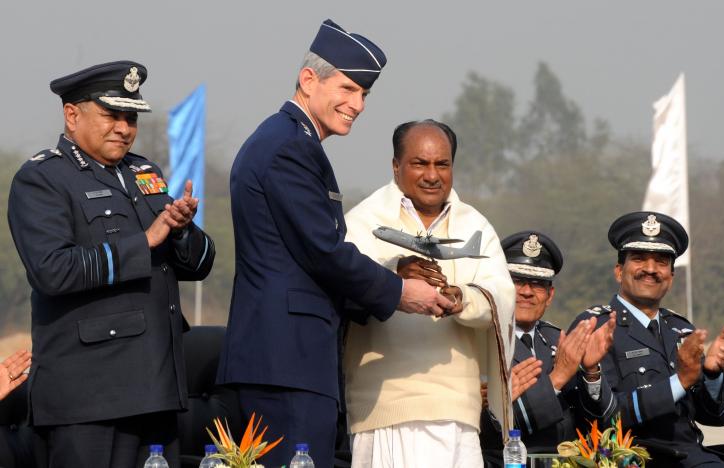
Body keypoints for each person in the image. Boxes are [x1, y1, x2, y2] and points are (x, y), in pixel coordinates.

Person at [216, 20, 453, 467]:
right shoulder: (288, 147)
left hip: (290, 360)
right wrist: (402, 294)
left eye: (364, 95)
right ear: (309, 80)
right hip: (285, 363)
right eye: (347, 89)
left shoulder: (290, 141)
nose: (357, 104)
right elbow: (323, 252)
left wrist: (391, 277)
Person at [7, 61, 215, 467]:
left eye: (130, 117)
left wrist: (179, 230)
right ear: (72, 115)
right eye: (111, 115)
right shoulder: (43, 179)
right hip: (88, 401)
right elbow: (52, 270)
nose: (124, 127)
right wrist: (145, 241)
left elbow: (200, 264)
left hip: (156, 390)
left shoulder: (144, 173)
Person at [342, 119, 515, 467]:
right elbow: (343, 286)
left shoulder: (475, 224)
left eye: (442, 164)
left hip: (458, 413)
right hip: (384, 409)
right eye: (420, 163)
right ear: (396, 166)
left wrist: (461, 298)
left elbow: (502, 294)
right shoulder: (362, 221)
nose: (432, 175)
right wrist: (393, 275)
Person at [573, 211, 724, 467]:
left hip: (693, 456)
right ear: (619, 271)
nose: (651, 269)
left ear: (671, 277)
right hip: (635, 458)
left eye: (662, 262)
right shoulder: (595, 327)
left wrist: (711, 374)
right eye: (640, 259)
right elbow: (602, 418)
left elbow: (719, 417)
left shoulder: (680, 329)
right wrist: (680, 381)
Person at [479, 231, 614, 454]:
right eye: (517, 281)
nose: (527, 292)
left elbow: (606, 423)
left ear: (550, 296)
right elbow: (495, 428)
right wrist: (557, 378)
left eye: (537, 284)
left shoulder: (557, 339)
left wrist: (591, 373)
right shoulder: (481, 339)